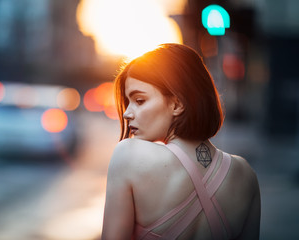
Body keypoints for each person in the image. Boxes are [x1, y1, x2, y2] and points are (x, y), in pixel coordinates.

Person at [101, 43, 261, 240]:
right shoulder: (246, 175)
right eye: (128, 102)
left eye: (139, 100)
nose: (126, 113)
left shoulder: (128, 155)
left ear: (177, 104)